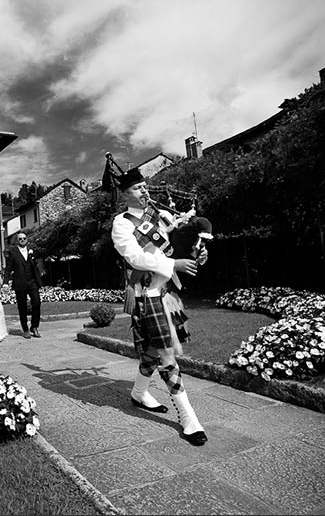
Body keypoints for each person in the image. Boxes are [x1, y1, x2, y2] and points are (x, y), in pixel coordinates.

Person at [111, 165, 209, 446]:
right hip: (146, 296)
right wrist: (172, 264)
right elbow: (134, 258)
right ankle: (189, 417)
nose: (144, 192)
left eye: (144, 187)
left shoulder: (161, 215)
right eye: (137, 189)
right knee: (167, 357)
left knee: (152, 355)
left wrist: (196, 252)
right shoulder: (122, 223)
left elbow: (178, 243)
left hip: (166, 293)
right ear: (125, 194)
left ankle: (139, 393)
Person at [3, 232, 42, 338]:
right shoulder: (13, 252)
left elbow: (36, 266)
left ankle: (34, 326)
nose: (22, 240)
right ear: (17, 241)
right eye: (20, 239)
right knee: (22, 307)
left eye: (24, 238)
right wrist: (5, 282)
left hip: (32, 281)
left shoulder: (31, 251)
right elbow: (8, 268)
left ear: (27, 240)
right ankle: (25, 329)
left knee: (37, 302)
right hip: (20, 282)